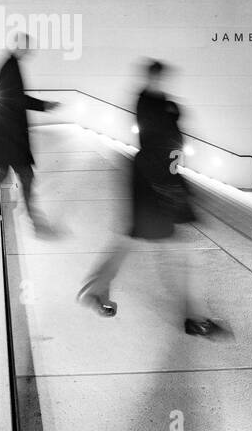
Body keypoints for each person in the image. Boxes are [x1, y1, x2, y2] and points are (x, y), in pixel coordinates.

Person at [77, 60, 229, 339]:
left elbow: (167, 147)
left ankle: (97, 289)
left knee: (132, 240)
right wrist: (177, 192)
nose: (160, 83)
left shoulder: (157, 105)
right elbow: (162, 149)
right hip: (156, 186)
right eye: (157, 78)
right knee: (179, 252)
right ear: (152, 78)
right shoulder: (155, 107)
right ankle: (195, 318)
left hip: (154, 184)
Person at [0, 33, 58, 228]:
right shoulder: (10, 67)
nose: (28, 51)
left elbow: (14, 98)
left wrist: (43, 105)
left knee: (2, 173)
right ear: (18, 45)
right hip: (11, 136)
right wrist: (44, 105)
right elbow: (16, 99)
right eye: (26, 47)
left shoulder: (10, 64)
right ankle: (35, 220)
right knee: (26, 176)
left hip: (7, 135)